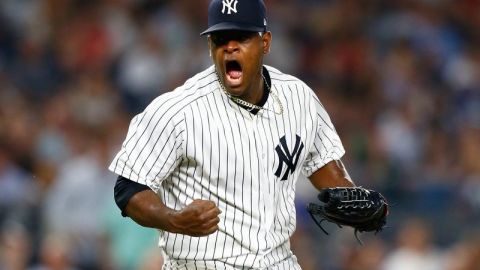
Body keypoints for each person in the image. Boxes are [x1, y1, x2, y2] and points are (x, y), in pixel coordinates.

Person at [109, 0, 355, 269]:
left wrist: (355, 200)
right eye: (220, 38)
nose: (230, 47)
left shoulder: (299, 97)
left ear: (265, 42)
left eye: (242, 37)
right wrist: (173, 219)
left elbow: (324, 166)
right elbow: (128, 189)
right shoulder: (176, 110)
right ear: (210, 45)